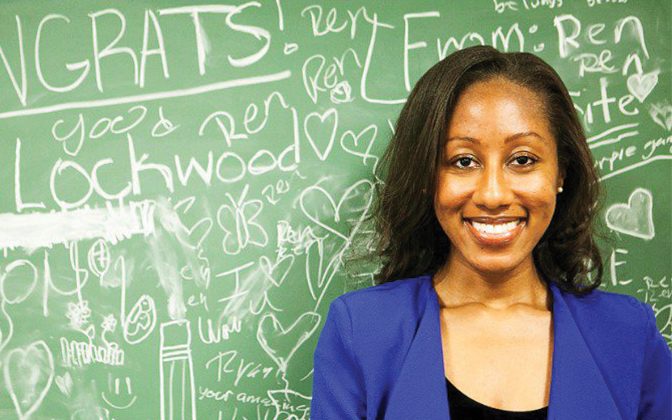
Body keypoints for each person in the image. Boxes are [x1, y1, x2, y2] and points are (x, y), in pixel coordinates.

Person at [310, 46, 671, 419]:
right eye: (463, 161)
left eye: (523, 160)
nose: (493, 195)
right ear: (427, 178)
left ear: (560, 172)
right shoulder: (362, 331)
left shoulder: (629, 336)